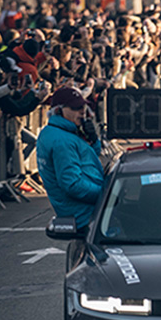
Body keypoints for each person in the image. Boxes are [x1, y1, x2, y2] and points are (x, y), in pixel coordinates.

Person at [36, 87, 104, 234]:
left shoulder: (56, 132)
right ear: (59, 110)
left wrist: (93, 139)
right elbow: (72, 184)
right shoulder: (63, 141)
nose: (82, 111)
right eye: (75, 108)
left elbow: (87, 161)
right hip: (85, 214)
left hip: (81, 211)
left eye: (83, 107)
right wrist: (107, 194)